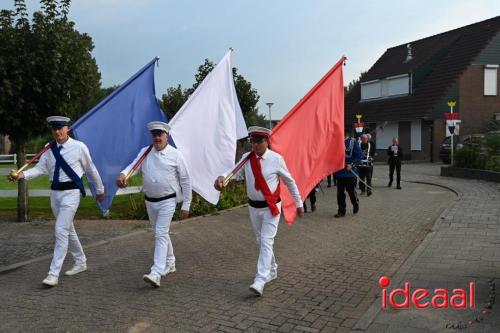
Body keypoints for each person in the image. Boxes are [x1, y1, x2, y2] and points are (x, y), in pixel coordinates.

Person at [8, 116, 105, 287]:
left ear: (68, 129)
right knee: (68, 230)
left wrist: (100, 190)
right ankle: (81, 261)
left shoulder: (79, 147)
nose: (58, 132)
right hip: (55, 194)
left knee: (61, 230)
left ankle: (53, 274)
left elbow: (91, 168)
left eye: (61, 128)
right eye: (54, 129)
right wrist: (22, 175)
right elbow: (40, 169)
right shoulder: (48, 148)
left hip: (71, 193)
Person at [214, 126, 304, 297]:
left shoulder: (276, 159)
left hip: (271, 206)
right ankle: (272, 269)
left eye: (258, 141)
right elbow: (234, 173)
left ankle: (260, 279)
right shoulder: (246, 159)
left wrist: (298, 203)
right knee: (260, 240)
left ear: (266, 141)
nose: (255, 145)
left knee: (266, 240)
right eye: (252, 141)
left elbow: (289, 181)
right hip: (253, 207)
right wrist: (222, 179)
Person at [117, 121, 192, 288]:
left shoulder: (176, 155)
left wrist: (186, 204)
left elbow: (186, 181)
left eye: (160, 134)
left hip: (168, 200)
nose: (157, 138)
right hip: (150, 201)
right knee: (161, 233)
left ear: (167, 136)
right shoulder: (145, 152)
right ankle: (170, 262)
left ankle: (156, 272)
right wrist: (123, 174)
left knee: (160, 233)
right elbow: (133, 167)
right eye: (154, 135)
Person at [334, 134, 363, 218]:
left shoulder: (353, 142)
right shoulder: (336, 143)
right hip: (340, 172)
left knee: (350, 191)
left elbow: (360, 156)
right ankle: (341, 211)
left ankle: (355, 202)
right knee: (340, 193)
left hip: (350, 172)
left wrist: (353, 164)